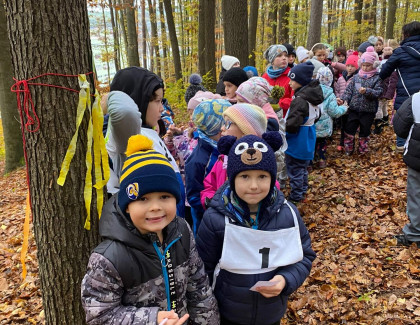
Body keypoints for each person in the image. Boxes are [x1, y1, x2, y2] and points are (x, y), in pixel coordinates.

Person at [81, 135, 219, 324]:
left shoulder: (182, 232)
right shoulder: (109, 258)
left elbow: (199, 289)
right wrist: (152, 320)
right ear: (127, 205)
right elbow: (100, 316)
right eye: (143, 199)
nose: (155, 207)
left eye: (164, 197)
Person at [196, 132, 316, 325]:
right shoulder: (215, 220)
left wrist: (285, 280)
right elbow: (203, 269)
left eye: (262, 176)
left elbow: (304, 256)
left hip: (271, 313)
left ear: (272, 178)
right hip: (228, 313)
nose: (253, 186)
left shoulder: (288, 215)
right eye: (244, 176)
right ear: (232, 178)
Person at [106, 67, 186, 217]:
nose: (162, 108)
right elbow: (125, 111)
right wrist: (108, 98)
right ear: (138, 100)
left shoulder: (149, 131)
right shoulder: (128, 135)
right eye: (157, 101)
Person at [200, 103, 268, 207]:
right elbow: (210, 185)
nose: (222, 128)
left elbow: (271, 187)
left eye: (228, 124)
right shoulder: (223, 159)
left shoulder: (259, 162)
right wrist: (209, 199)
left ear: (245, 131)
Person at [185, 99, 232, 235]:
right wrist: (215, 211)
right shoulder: (199, 161)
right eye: (227, 124)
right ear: (218, 129)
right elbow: (194, 196)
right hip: (208, 224)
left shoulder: (224, 148)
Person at [285, 61, 323, 204]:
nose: (289, 83)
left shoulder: (300, 100)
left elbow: (292, 124)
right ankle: (302, 190)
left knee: (295, 169)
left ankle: (296, 196)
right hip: (309, 137)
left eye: (292, 80)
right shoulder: (312, 96)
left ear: (300, 81)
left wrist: (283, 131)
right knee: (302, 167)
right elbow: (317, 115)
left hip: (297, 140)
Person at [379, 21, 420, 152]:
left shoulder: (400, 52)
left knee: (405, 118)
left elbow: (384, 72)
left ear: (406, 34)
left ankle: (402, 144)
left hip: (406, 94)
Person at [337, 47, 383, 155]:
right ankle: (349, 149)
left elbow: (379, 92)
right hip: (354, 109)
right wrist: (343, 99)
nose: (366, 68)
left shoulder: (377, 78)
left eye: (368, 65)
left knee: (365, 131)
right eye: (363, 65)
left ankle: (363, 151)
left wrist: (367, 91)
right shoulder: (356, 77)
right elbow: (348, 91)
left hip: (368, 110)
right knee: (349, 129)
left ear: (374, 65)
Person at [393, 93, 420, 248]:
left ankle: (416, 233)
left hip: (418, 155)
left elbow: (400, 126)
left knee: (416, 193)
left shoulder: (416, 99)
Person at [314, 67, 348, 168]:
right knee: (322, 143)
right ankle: (321, 160)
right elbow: (334, 112)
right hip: (324, 126)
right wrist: (344, 108)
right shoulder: (330, 94)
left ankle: (309, 163)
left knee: (312, 143)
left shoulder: (311, 91)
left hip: (312, 123)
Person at [334, 51, 359, 151]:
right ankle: (341, 142)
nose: (350, 68)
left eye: (352, 66)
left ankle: (349, 144)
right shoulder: (341, 78)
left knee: (350, 126)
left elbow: (358, 91)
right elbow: (337, 89)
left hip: (351, 106)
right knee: (343, 125)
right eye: (348, 66)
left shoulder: (357, 79)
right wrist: (338, 98)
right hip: (341, 105)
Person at [373, 41, 398, 134]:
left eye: (389, 49)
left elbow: (393, 79)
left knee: (379, 107)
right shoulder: (382, 61)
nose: (387, 51)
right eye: (386, 49)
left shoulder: (392, 63)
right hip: (381, 87)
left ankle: (378, 126)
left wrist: (389, 93)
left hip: (384, 89)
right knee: (383, 106)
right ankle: (385, 121)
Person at [262, 44, 294, 117]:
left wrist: (278, 104)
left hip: (286, 118)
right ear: (272, 60)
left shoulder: (292, 75)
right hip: (267, 117)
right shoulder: (265, 76)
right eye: (279, 56)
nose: (284, 58)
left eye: (286, 55)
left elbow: (295, 99)